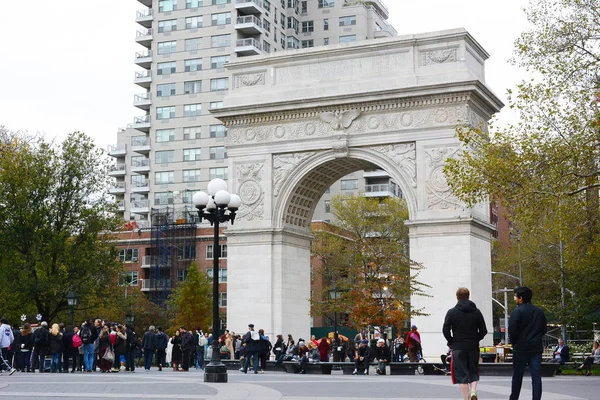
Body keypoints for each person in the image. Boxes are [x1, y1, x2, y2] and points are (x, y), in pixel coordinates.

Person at [442, 287, 488, 400]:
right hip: (473, 347)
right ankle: (473, 391)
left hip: (458, 347)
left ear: (457, 297)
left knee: (461, 375)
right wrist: (476, 339)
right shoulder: (476, 312)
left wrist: (451, 341)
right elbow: (484, 330)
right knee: (473, 370)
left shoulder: (452, 312)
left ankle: (466, 398)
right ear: (468, 297)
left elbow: (445, 330)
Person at [508, 286, 547, 400]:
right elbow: (543, 329)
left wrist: (515, 343)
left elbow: (512, 330)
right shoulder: (539, 312)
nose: (515, 299)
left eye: (515, 296)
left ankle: (514, 398)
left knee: (517, 376)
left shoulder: (517, 312)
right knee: (536, 376)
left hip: (520, 348)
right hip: (535, 347)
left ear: (521, 298)